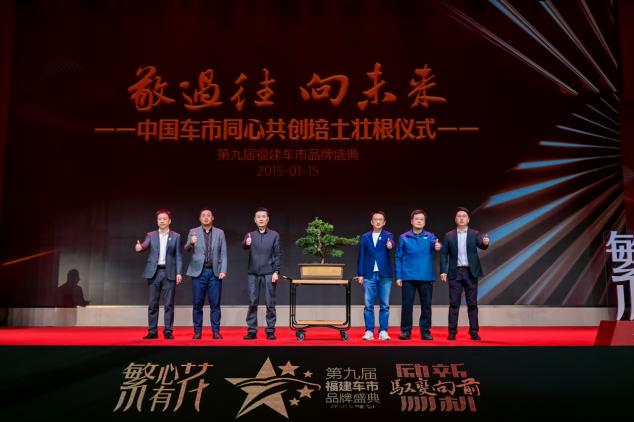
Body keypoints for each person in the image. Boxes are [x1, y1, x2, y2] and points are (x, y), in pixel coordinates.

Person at [440, 206, 489, 341]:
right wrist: (443, 271)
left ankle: (474, 332)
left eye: (464, 216)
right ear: (455, 219)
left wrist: (485, 243)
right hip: (455, 272)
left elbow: (482, 245)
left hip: (470, 272)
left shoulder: (475, 234)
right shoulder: (449, 235)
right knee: (454, 304)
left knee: (472, 304)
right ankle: (452, 332)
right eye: (459, 216)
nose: (461, 218)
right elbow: (444, 254)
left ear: (468, 219)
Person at [135, 209, 182, 339]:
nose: (162, 221)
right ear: (157, 221)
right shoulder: (151, 235)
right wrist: (140, 247)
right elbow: (145, 245)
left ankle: (168, 331)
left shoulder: (176, 236)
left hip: (169, 273)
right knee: (152, 304)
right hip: (154, 273)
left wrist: (179, 272)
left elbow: (178, 256)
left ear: (169, 221)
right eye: (159, 219)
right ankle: (152, 331)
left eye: (164, 219)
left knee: (169, 304)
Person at [395, 209, 441, 340]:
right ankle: (406, 331)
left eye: (422, 219)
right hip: (408, 277)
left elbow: (436, 245)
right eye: (416, 219)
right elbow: (398, 257)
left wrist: (438, 246)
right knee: (407, 306)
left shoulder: (430, 236)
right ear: (411, 221)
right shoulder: (404, 237)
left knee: (426, 306)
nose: (419, 221)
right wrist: (398, 276)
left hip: (426, 277)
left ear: (424, 222)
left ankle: (425, 331)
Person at [184, 208, 227, 340]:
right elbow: (186, 248)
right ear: (200, 218)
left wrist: (223, 270)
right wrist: (191, 242)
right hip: (199, 272)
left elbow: (223, 253)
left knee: (215, 304)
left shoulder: (220, 232)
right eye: (203, 215)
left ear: (212, 218)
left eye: (209, 215)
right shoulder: (193, 231)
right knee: (197, 303)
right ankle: (197, 332)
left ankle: (216, 332)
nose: (206, 217)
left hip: (214, 272)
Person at [241, 207, 281, 340]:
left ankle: (270, 330)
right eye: (258, 217)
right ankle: (252, 330)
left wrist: (276, 271)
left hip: (269, 273)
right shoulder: (250, 235)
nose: (261, 219)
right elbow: (244, 246)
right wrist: (246, 243)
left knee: (270, 303)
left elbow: (277, 254)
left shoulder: (274, 235)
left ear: (267, 219)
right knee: (252, 302)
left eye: (263, 216)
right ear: (255, 220)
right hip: (253, 273)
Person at [357, 210, 395, 341]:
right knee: (368, 305)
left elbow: (391, 243)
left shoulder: (388, 235)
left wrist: (390, 245)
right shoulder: (365, 237)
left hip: (385, 275)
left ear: (384, 222)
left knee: (385, 305)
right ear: (372, 222)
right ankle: (369, 331)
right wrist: (360, 274)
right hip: (369, 275)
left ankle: (383, 331)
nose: (378, 221)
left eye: (380, 219)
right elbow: (361, 256)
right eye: (375, 219)